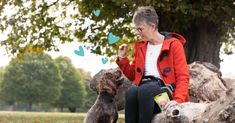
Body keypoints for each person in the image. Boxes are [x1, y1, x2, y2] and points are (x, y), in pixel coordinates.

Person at [116, 6, 190, 123]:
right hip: (144, 95)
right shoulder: (140, 47)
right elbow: (133, 76)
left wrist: (178, 100)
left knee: (145, 89)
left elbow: (183, 76)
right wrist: (122, 58)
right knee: (131, 93)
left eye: (140, 29)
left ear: (152, 26)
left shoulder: (174, 45)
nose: (137, 33)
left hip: (165, 97)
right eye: (136, 29)